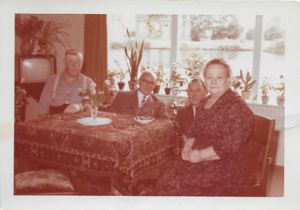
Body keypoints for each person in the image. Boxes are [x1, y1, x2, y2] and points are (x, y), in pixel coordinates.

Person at [155, 58, 254, 196]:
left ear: (228, 79)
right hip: (201, 157)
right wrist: (188, 146)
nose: (213, 82)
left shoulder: (237, 107)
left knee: (174, 185)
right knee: (166, 178)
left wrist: (200, 155)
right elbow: (195, 130)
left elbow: (230, 145)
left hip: (227, 167)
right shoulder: (206, 101)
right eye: (209, 77)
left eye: (219, 77)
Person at [39, 49, 96, 114]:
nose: (75, 65)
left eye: (78, 62)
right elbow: (42, 110)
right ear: (65, 62)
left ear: (82, 63)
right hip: (56, 123)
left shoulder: (89, 83)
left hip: (79, 123)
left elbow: (93, 109)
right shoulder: (52, 81)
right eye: (71, 62)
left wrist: (80, 106)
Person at [105, 70, 169, 119]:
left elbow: (166, 122)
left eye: (152, 83)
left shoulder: (158, 103)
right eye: (145, 81)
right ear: (139, 81)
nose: (148, 85)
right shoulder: (122, 96)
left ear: (155, 86)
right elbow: (110, 116)